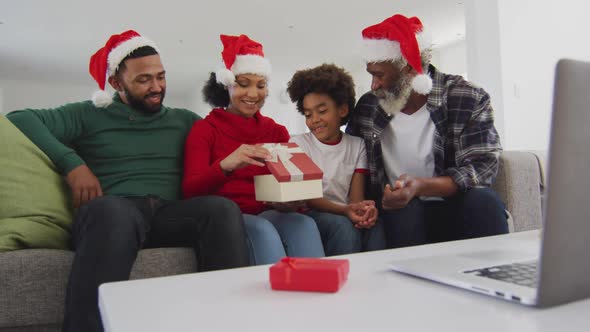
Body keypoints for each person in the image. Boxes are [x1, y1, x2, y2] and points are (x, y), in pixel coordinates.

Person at [7, 30, 250, 332]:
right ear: (115, 83)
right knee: (114, 213)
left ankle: (230, 323)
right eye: (143, 79)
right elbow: (20, 118)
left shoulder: (185, 120)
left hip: (169, 214)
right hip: (112, 211)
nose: (156, 87)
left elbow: (225, 151)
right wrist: (73, 165)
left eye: (161, 76)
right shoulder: (89, 114)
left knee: (221, 210)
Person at [346, 14, 508, 249]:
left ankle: (495, 280)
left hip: (455, 202)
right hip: (398, 210)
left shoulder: (467, 96)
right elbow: (351, 158)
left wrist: (420, 186)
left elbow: (483, 167)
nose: (373, 85)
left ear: (410, 70)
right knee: (406, 210)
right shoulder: (369, 107)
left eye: (379, 75)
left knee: (484, 202)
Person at [182, 34, 325, 265]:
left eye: (260, 86)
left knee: (304, 224)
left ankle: (320, 291)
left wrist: (289, 201)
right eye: (243, 84)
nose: (252, 94)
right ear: (226, 85)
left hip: (268, 211)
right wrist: (226, 165)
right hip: (230, 217)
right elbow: (190, 191)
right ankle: (273, 298)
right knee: (262, 230)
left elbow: (283, 186)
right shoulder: (204, 130)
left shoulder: (276, 131)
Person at [286, 63, 385, 255]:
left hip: (344, 211)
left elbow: (356, 196)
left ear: (342, 110)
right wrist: (346, 211)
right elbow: (310, 198)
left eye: (322, 111)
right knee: (343, 227)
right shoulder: (297, 144)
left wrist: (361, 210)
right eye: (308, 114)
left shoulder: (357, 145)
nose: (314, 120)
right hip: (312, 214)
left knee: (375, 226)